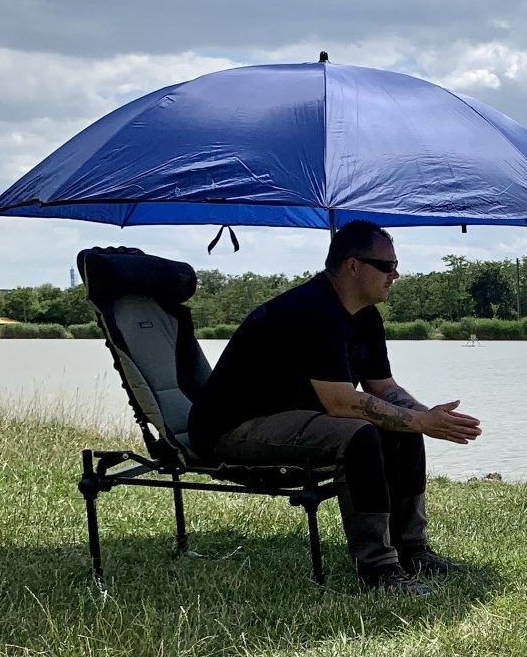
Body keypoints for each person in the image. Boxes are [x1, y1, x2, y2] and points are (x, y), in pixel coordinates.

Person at [188, 220, 481, 593]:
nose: (396, 274)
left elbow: (383, 389)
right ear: (353, 265)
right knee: (358, 434)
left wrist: (428, 418)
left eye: (396, 265)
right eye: (387, 266)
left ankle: (413, 549)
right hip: (233, 428)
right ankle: (378, 570)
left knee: (403, 426)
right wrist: (421, 420)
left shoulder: (366, 315)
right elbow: (341, 402)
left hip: (293, 419)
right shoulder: (312, 309)